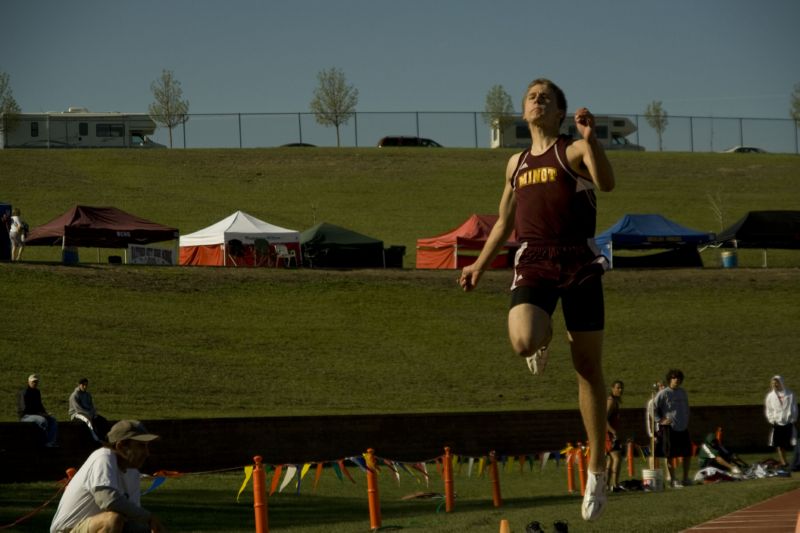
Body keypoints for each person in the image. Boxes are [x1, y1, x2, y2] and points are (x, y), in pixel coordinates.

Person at [459, 78, 615, 521]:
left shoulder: (574, 151)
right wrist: (478, 265)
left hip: (579, 259)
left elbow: (606, 184)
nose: (536, 100)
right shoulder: (516, 163)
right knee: (524, 340)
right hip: (535, 259)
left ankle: (597, 469)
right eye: (531, 95)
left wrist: (592, 141)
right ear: (524, 110)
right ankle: (543, 341)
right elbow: (505, 221)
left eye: (545, 97)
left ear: (559, 112)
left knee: (587, 368)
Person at [50, 419, 167, 533]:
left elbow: (132, 517)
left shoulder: (133, 473)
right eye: (141, 446)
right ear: (121, 446)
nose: (147, 453)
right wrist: (149, 517)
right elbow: (108, 500)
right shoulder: (103, 457)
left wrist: (152, 526)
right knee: (112, 520)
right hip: (68, 530)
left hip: (95, 527)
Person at [653, 369, 692, 488]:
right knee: (670, 454)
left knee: (687, 453)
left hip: (683, 427)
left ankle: (685, 478)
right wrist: (660, 420)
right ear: (669, 379)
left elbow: (686, 407)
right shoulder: (664, 393)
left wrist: (686, 419)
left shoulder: (682, 392)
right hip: (670, 428)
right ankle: (673, 479)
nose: (676, 380)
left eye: (679, 378)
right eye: (674, 378)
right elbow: (653, 408)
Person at [17, 374, 59, 447]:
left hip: (37, 414)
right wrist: (40, 414)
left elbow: (40, 405)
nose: (35, 383)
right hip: (26, 416)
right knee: (42, 421)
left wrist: (46, 413)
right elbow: (25, 409)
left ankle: (51, 442)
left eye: (36, 382)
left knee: (53, 421)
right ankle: (43, 442)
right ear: (29, 382)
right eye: (33, 382)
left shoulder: (37, 392)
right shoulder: (24, 392)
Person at [765, 375, 797, 466]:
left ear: (781, 383)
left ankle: (795, 461)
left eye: (777, 383)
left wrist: (793, 418)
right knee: (779, 444)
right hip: (777, 422)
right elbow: (769, 409)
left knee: (790, 443)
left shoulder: (790, 394)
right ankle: (784, 462)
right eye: (773, 383)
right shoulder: (770, 396)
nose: (775, 384)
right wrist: (772, 420)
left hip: (788, 422)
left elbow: (794, 407)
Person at [69, 378, 110, 443]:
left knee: (102, 420)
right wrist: (88, 415)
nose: (85, 387)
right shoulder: (74, 395)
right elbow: (78, 409)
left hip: (88, 413)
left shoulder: (88, 394)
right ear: (79, 385)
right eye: (83, 385)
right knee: (88, 421)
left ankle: (105, 437)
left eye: (86, 385)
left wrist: (94, 413)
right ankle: (96, 439)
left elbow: (91, 406)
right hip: (77, 414)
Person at [605, 380, 624, 491]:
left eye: (621, 388)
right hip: (609, 434)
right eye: (618, 387)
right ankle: (615, 485)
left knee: (610, 460)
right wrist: (613, 431)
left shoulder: (615, 401)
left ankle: (606, 485)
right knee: (617, 458)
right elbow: (604, 418)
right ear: (612, 388)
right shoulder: (611, 401)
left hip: (610, 433)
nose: (620, 390)